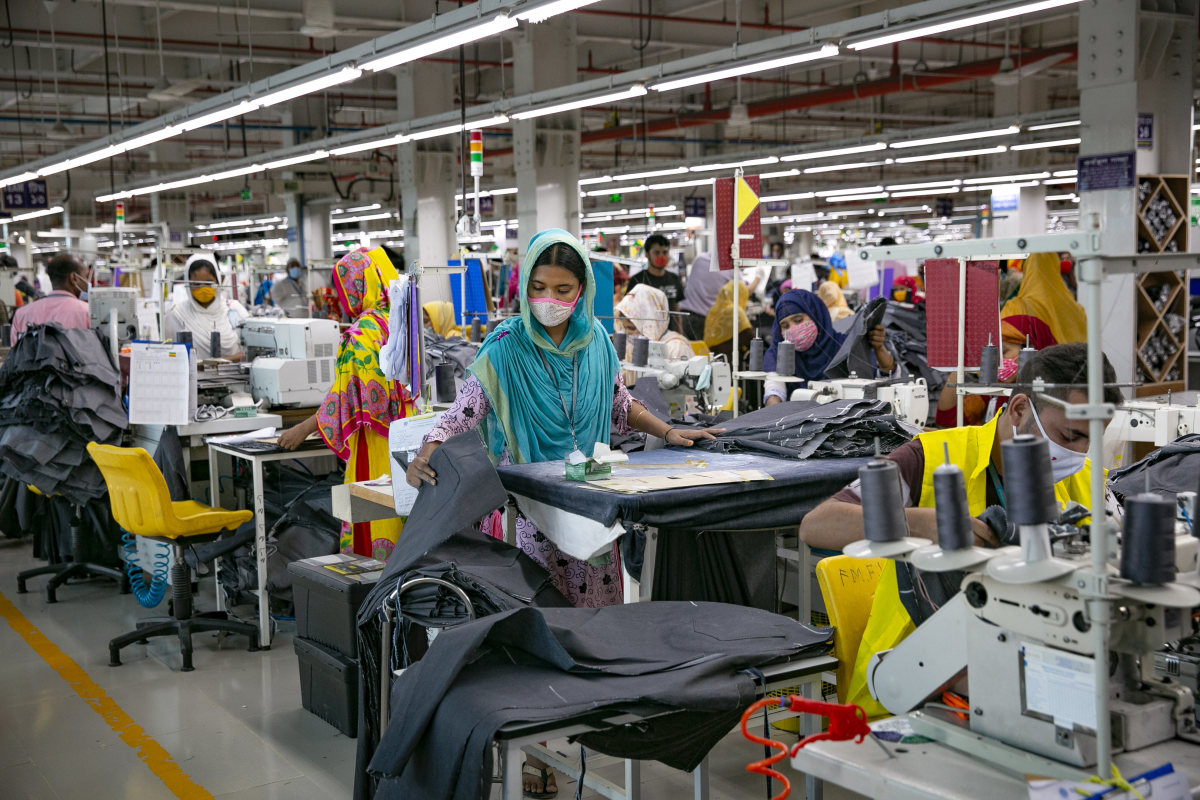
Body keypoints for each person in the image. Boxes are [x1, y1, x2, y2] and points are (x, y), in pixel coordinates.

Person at [403, 229, 721, 799]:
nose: (551, 299)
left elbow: (621, 406)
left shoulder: (596, 340)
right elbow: (466, 411)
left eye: (565, 289)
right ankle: (537, 753)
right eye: (541, 286)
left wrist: (671, 431)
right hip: (532, 521)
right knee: (537, 636)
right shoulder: (504, 348)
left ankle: (592, 729)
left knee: (593, 637)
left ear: (583, 291)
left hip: (592, 517)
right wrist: (428, 447)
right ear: (525, 286)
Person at [800, 343, 1119, 716]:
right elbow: (816, 524)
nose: (1079, 453)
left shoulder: (1087, 481)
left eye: (1090, 439)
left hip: (1029, 672)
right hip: (914, 685)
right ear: (1018, 409)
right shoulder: (931, 456)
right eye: (1068, 437)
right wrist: (916, 522)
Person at [278, 247, 416, 558]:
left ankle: (373, 591)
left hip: (375, 442)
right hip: (405, 434)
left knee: (374, 517)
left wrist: (302, 428)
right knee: (403, 512)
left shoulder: (362, 332)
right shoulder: (397, 319)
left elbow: (345, 395)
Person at [763, 289, 895, 405]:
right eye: (785, 326)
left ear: (816, 316)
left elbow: (885, 377)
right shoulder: (778, 354)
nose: (793, 329)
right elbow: (774, 392)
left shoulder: (844, 345)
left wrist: (879, 348)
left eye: (798, 320)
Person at [163, 258, 247, 361]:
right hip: (195, 376)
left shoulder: (234, 309)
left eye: (208, 283)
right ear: (188, 284)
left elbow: (251, 351)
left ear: (218, 281)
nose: (203, 288)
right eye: (196, 284)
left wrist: (224, 361)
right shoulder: (176, 315)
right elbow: (168, 354)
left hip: (236, 375)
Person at [1000, 252, 1087, 344]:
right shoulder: (1076, 309)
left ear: (1026, 268)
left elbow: (1000, 344)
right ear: (1055, 264)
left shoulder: (1017, 307)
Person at [9, 253, 91, 345]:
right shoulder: (88, 313)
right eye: (85, 276)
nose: (87, 282)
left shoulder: (21, 315)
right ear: (74, 278)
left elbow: (15, 353)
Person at [615, 283, 693, 362]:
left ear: (650, 323)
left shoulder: (676, 349)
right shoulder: (631, 348)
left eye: (632, 328)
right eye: (625, 328)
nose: (627, 333)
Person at [626, 234, 683, 331]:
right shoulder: (637, 281)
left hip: (670, 337)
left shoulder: (674, 279)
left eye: (665, 252)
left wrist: (680, 334)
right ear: (647, 254)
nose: (661, 256)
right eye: (656, 253)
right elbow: (628, 312)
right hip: (645, 338)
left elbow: (676, 310)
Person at [678, 252, 729, 341]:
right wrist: (758, 278)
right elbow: (745, 290)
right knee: (701, 352)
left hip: (684, 316)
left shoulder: (699, 259)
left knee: (684, 351)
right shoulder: (729, 268)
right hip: (703, 320)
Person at [703, 280, 753, 364]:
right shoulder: (735, 310)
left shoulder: (713, 310)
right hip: (730, 363)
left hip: (712, 360)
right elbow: (750, 337)